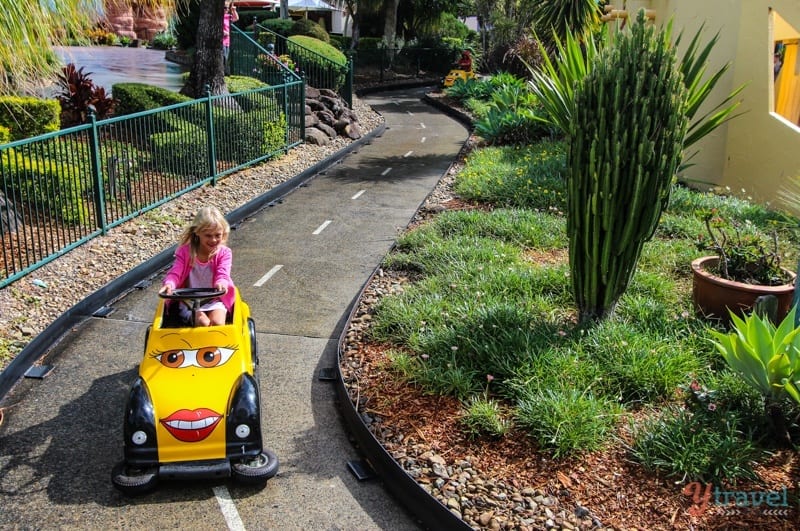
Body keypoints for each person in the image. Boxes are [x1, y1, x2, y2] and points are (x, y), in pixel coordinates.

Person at [160, 206, 235, 327]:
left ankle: (215, 345)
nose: (214, 240)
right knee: (203, 323)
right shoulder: (185, 252)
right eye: (208, 235)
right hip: (189, 301)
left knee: (217, 322)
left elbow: (223, 272)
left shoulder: (224, 253)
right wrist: (169, 284)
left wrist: (221, 283)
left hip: (215, 298)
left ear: (223, 233)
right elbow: (175, 273)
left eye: (218, 235)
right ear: (197, 232)